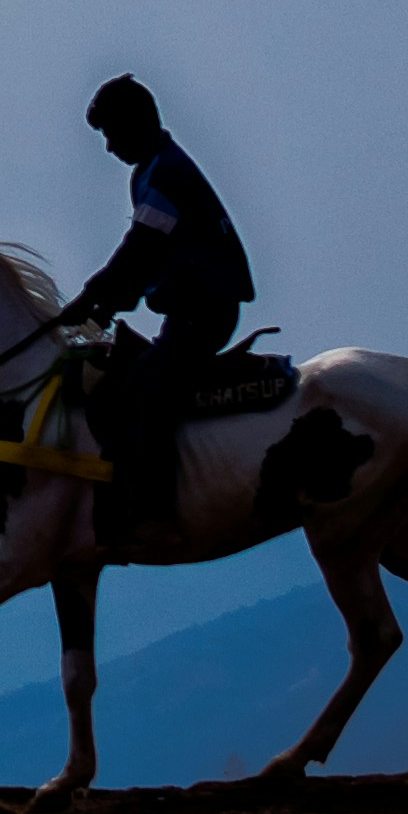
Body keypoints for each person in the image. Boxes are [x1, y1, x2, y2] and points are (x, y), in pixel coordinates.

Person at [65, 75, 256, 521]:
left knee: (141, 389)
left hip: (204, 312)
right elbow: (141, 271)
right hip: (185, 312)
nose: (109, 148)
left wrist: (88, 298)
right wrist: (92, 324)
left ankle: (154, 507)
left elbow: (139, 250)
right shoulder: (149, 172)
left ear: (136, 122)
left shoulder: (167, 173)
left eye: (111, 133)